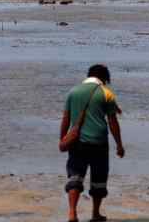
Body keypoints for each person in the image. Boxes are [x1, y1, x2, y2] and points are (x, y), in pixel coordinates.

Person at [60, 64, 125, 222]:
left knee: (75, 177)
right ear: (104, 78)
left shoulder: (73, 92)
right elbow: (112, 121)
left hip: (77, 142)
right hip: (99, 142)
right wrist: (119, 144)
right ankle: (95, 214)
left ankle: (72, 213)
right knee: (99, 179)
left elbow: (66, 118)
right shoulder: (106, 93)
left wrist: (62, 139)